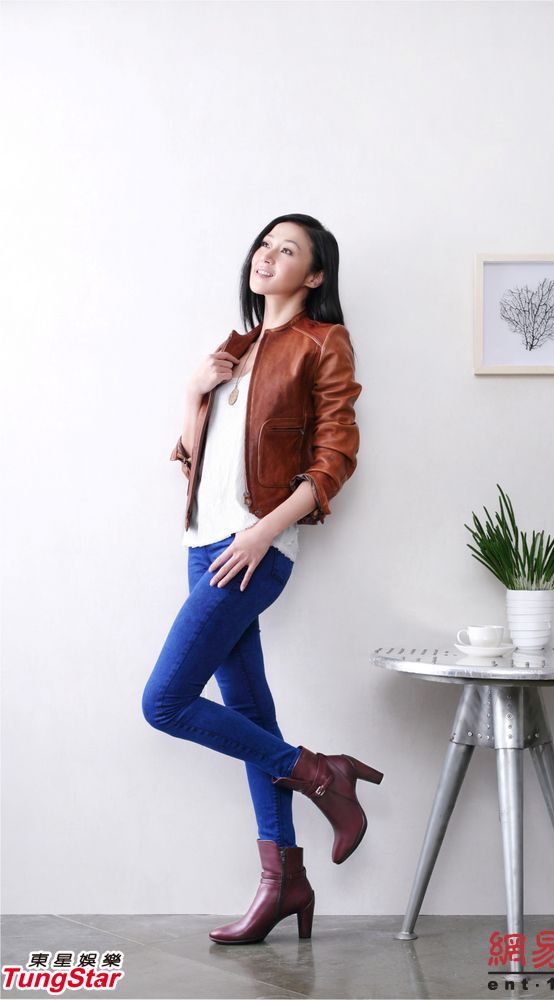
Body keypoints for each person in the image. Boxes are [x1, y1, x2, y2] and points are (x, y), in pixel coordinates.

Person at [141, 213, 383, 945]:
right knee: (249, 715)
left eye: (288, 250)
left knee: (164, 703)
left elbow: (335, 458)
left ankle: (322, 774)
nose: (267, 257)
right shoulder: (235, 347)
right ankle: (284, 884)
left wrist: (261, 532)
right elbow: (192, 459)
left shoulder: (322, 342)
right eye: (263, 245)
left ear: (314, 274)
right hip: (203, 544)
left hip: (252, 547)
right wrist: (193, 392)